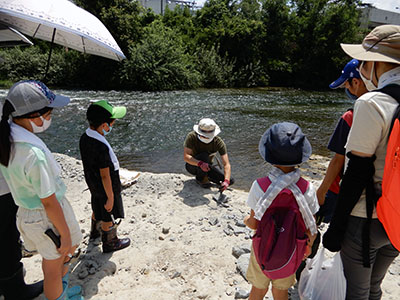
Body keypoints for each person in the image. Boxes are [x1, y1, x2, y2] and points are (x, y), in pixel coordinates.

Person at [323, 25, 400, 300]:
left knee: (356, 293)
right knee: (374, 286)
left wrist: (336, 228)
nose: (364, 69)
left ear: (379, 63)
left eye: (366, 61)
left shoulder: (372, 103)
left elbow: (357, 170)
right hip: (397, 218)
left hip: (365, 219)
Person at [0, 80, 83, 300]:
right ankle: (59, 296)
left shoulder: (9, 139)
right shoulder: (32, 155)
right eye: (49, 113)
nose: (50, 118)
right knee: (54, 265)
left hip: (28, 212)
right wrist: (63, 233)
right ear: (34, 116)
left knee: (58, 257)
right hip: (46, 216)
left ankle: (61, 291)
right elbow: (48, 201)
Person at [243, 122, 319, 300]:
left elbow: (254, 223)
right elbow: (311, 227)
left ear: (269, 155)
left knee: (258, 289)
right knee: (281, 291)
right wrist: (307, 248)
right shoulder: (307, 188)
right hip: (291, 249)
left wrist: (246, 219)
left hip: (263, 246)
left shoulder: (260, 186)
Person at [316, 59, 368, 224]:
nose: (346, 89)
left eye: (347, 85)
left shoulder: (349, 117)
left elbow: (338, 160)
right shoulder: (388, 111)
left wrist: (321, 191)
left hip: (341, 189)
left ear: (356, 82)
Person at [79, 100, 130, 253]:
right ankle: (110, 242)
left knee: (97, 207)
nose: (112, 127)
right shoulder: (100, 146)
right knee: (109, 213)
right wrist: (111, 197)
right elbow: (105, 175)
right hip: (106, 187)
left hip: (94, 185)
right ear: (103, 125)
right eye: (112, 124)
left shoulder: (85, 137)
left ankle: (95, 233)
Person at [184, 118, 234, 189]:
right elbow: (186, 157)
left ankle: (209, 177)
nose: (206, 138)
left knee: (230, 180)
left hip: (208, 166)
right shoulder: (192, 137)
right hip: (193, 165)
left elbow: (226, 164)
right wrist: (200, 163)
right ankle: (201, 179)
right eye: (204, 136)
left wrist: (226, 181)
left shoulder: (218, 142)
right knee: (204, 155)